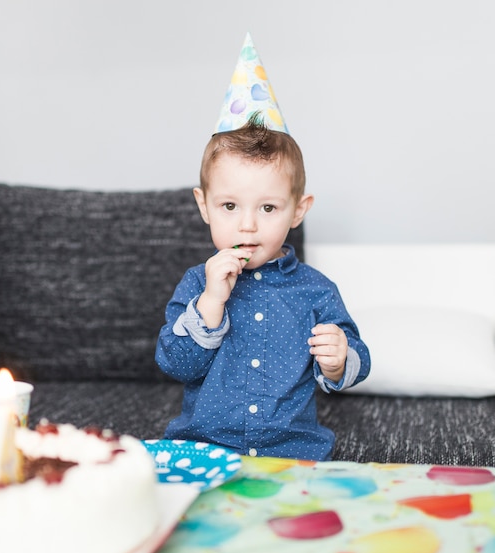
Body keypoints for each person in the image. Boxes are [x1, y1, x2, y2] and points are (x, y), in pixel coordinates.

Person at [154, 34, 370, 461]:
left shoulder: (316, 289)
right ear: (204, 206)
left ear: (298, 210)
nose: (248, 224)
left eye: (268, 207)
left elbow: (355, 355)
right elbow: (176, 364)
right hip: (203, 450)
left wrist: (339, 361)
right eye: (230, 205)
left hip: (294, 455)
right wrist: (212, 303)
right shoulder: (198, 283)